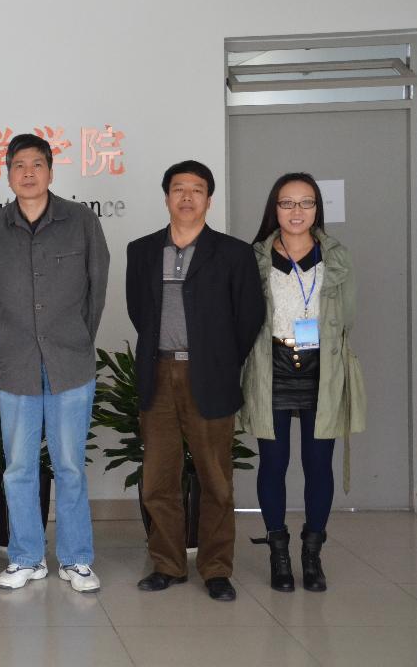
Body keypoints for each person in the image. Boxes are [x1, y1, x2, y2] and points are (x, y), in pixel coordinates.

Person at [0, 133, 109, 594]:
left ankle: (76, 559)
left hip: (70, 363)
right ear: (7, 173)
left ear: (51, 171)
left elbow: (96, 291)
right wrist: (18, 338)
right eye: (19, 165)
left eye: (36, 164)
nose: (28, 173)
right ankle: (26, 557)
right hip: (16, 365)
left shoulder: (81, 221)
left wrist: (73, 338)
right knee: (18, 468)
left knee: (70, 466)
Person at [126, 160, 265, 602]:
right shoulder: (142, 251)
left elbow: (249, 316)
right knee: (158, 481)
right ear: (167, 196)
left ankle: (216, 568)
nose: (187, 197)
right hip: (158, 373)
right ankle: (167, 564)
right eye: (179, 189)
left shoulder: (233, 253)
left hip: (210, 375)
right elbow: (138, 312)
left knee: (216, 481)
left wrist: (220, 360)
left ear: (209, 199)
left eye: (197, 189)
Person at [240, 172, 366, 593]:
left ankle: (312, 555)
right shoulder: (256, 257)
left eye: (306, 202)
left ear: (317, 208)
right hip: (272, 364)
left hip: (320, 368)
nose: (297, 211)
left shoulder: (337, 257)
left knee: (317, 463)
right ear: (274, 209)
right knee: (273, 463)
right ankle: (278, 554)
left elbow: (347, 316)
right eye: (287, 203)